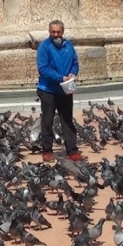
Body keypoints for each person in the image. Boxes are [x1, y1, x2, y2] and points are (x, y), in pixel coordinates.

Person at [36, 19, 83, 162]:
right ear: (49, 32)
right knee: (47, 121)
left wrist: (72, 74)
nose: (56, 35)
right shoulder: (44, 47)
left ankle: (72, 150)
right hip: (48, 89)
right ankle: (47, 150)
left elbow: (75, 63)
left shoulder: (69, 46)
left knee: (67, 120)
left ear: (63, 32)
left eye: (58, 32)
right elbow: (43, 69)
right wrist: (60, 78)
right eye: (53, 32)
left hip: (65, 89)